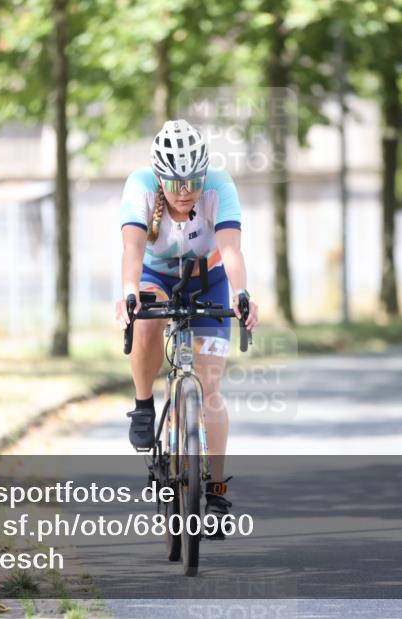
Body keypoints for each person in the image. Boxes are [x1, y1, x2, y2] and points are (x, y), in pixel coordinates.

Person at [115, 119, 259, 535]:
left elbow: (231, 250)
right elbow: (132, 248)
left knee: (209, 389)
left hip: (208, 279)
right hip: (156, 277)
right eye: (176, 182)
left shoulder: (220, 186)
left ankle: (214, 490)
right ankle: (143, 407)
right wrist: (128, 291)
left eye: (193, 180)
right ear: (160, 177)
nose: (185, 191)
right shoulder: (139, 185)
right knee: (145, 323)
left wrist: (241, 293)